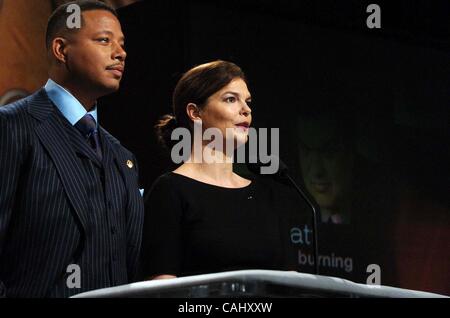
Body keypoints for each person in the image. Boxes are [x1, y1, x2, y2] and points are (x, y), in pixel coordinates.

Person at [0, 1, 144, 298]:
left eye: (122, 43)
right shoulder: (11, 127)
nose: (120, 53)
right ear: (60, 50)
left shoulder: (122, 157)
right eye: (104, 40)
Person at [141, 61, 301, 280]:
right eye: (231, 99)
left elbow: (291, 284)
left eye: (248, 101)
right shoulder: (170, 191)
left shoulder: (267, 195)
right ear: (195, 113)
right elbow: (161, 285)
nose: (246, 109)